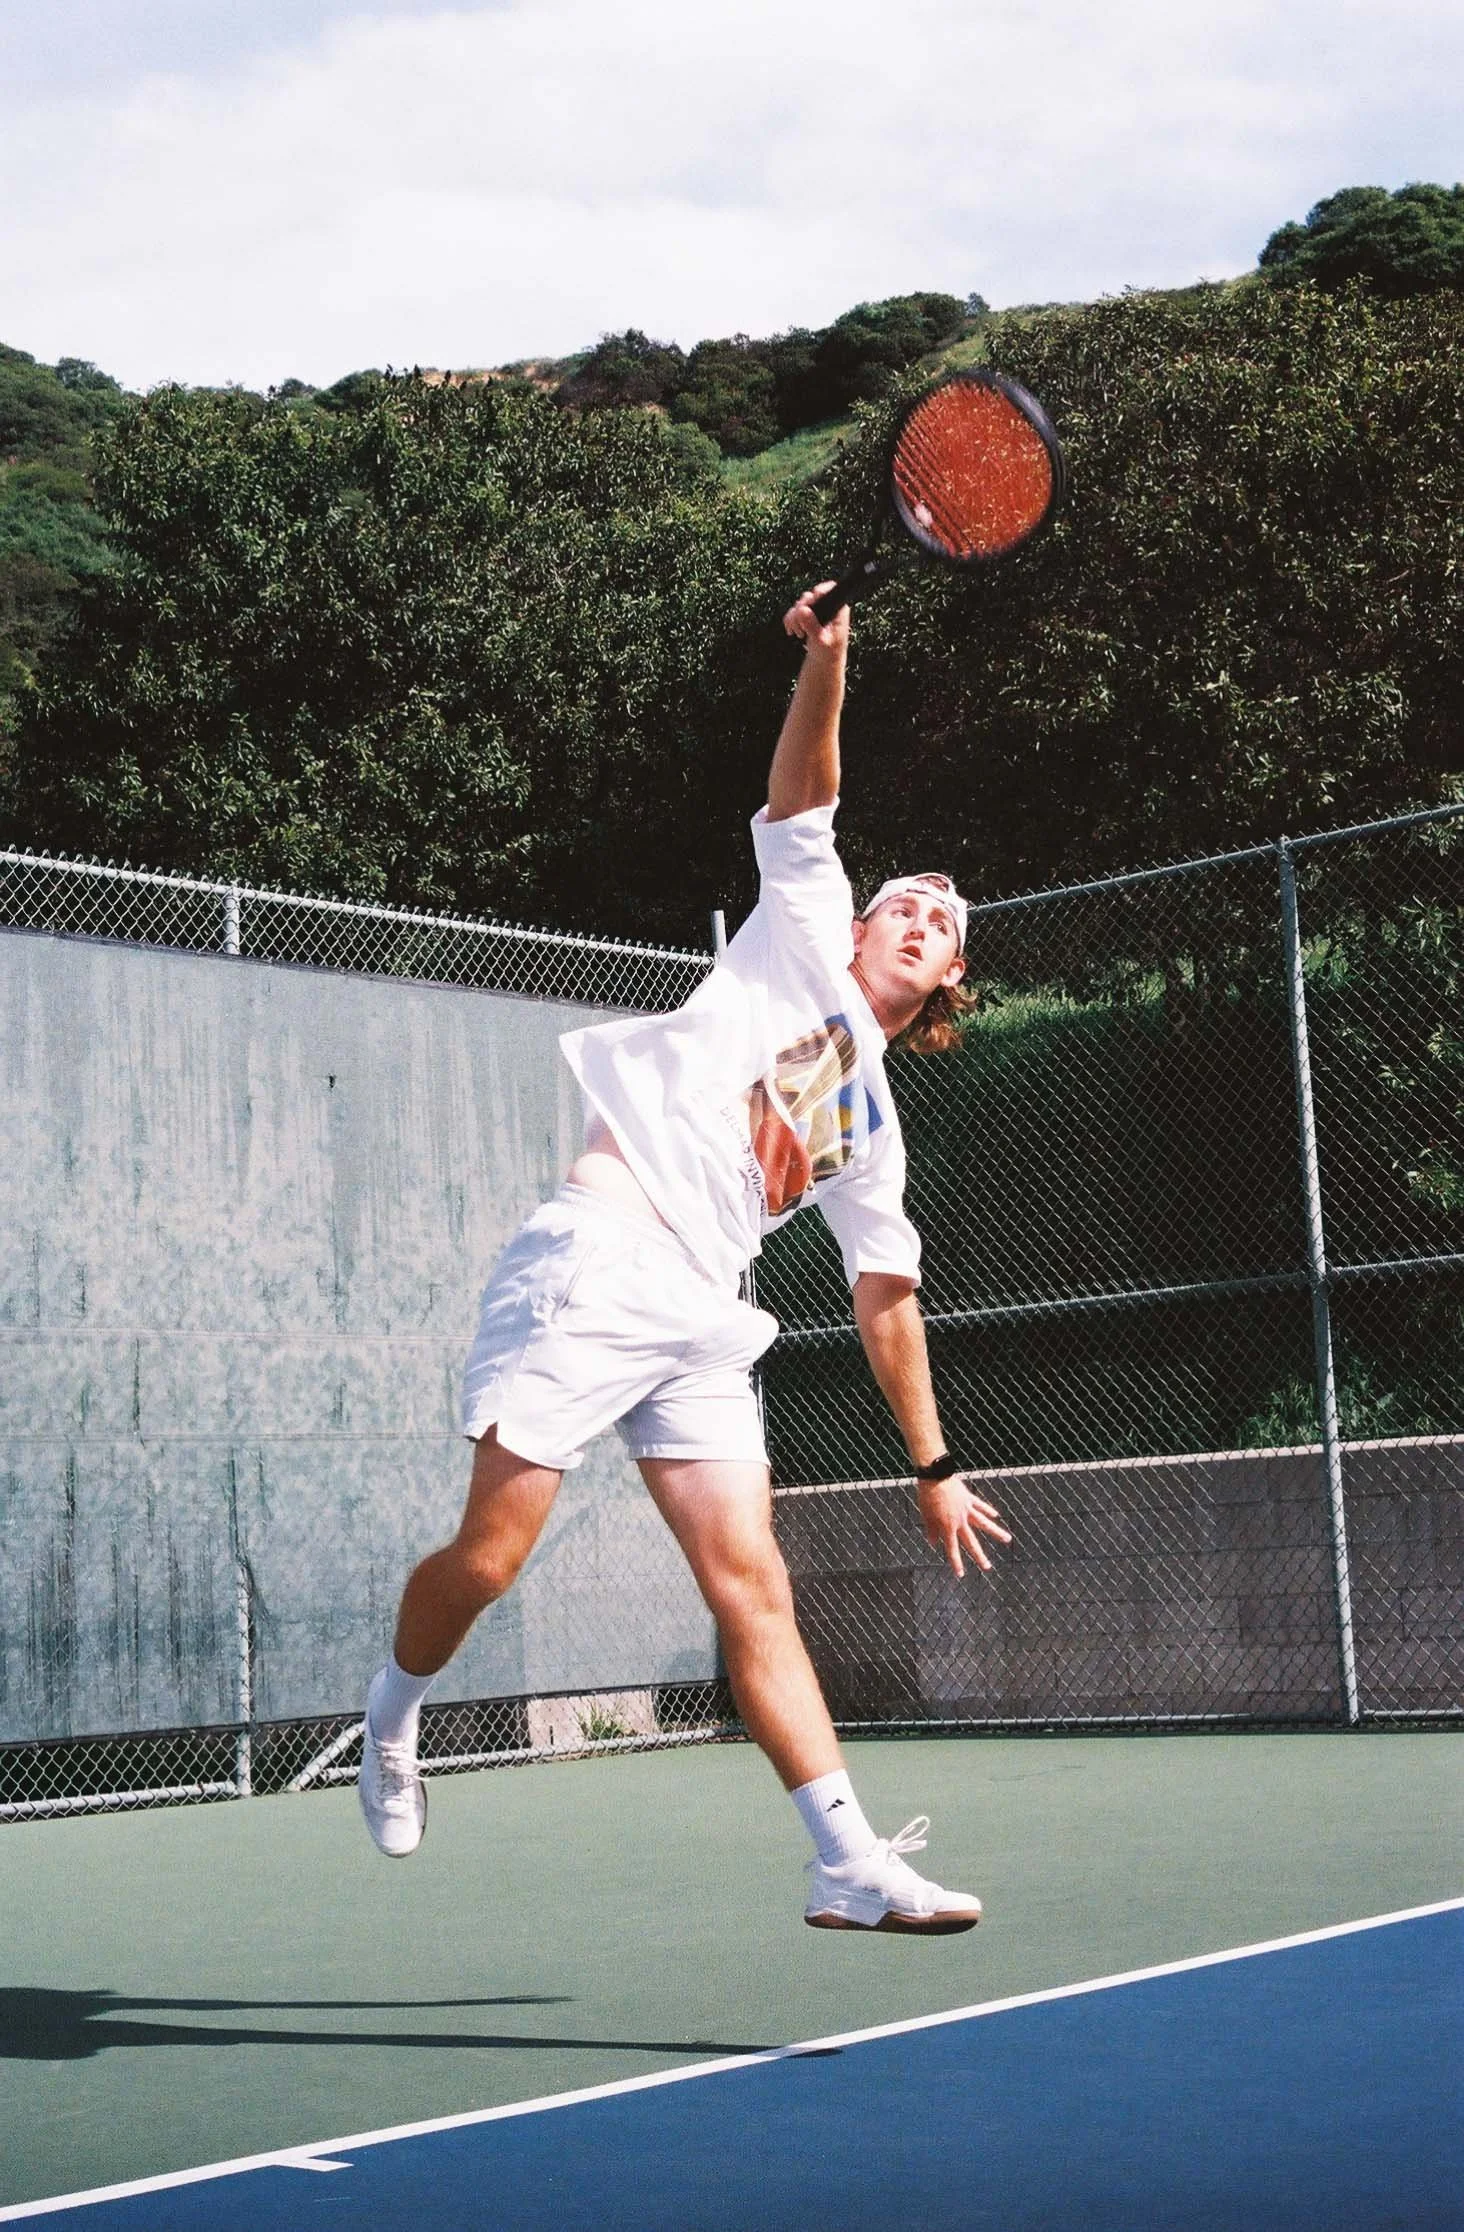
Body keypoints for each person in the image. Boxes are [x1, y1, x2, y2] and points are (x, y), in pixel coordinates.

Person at [359, 585, 1012, 1933]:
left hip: (702, 1319)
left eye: (941, 924)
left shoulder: (875, 1133)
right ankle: (392, 1717)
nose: (918, 916)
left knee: (752, 1581)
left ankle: (845, 1861)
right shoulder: (794, 939)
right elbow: (806, 796)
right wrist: (826, 669)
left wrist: (934, 1466)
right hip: (601, 1257)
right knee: (488, 1562)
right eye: (904, 904)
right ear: (854, 926)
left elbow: (887, 1301)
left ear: (947, 981)